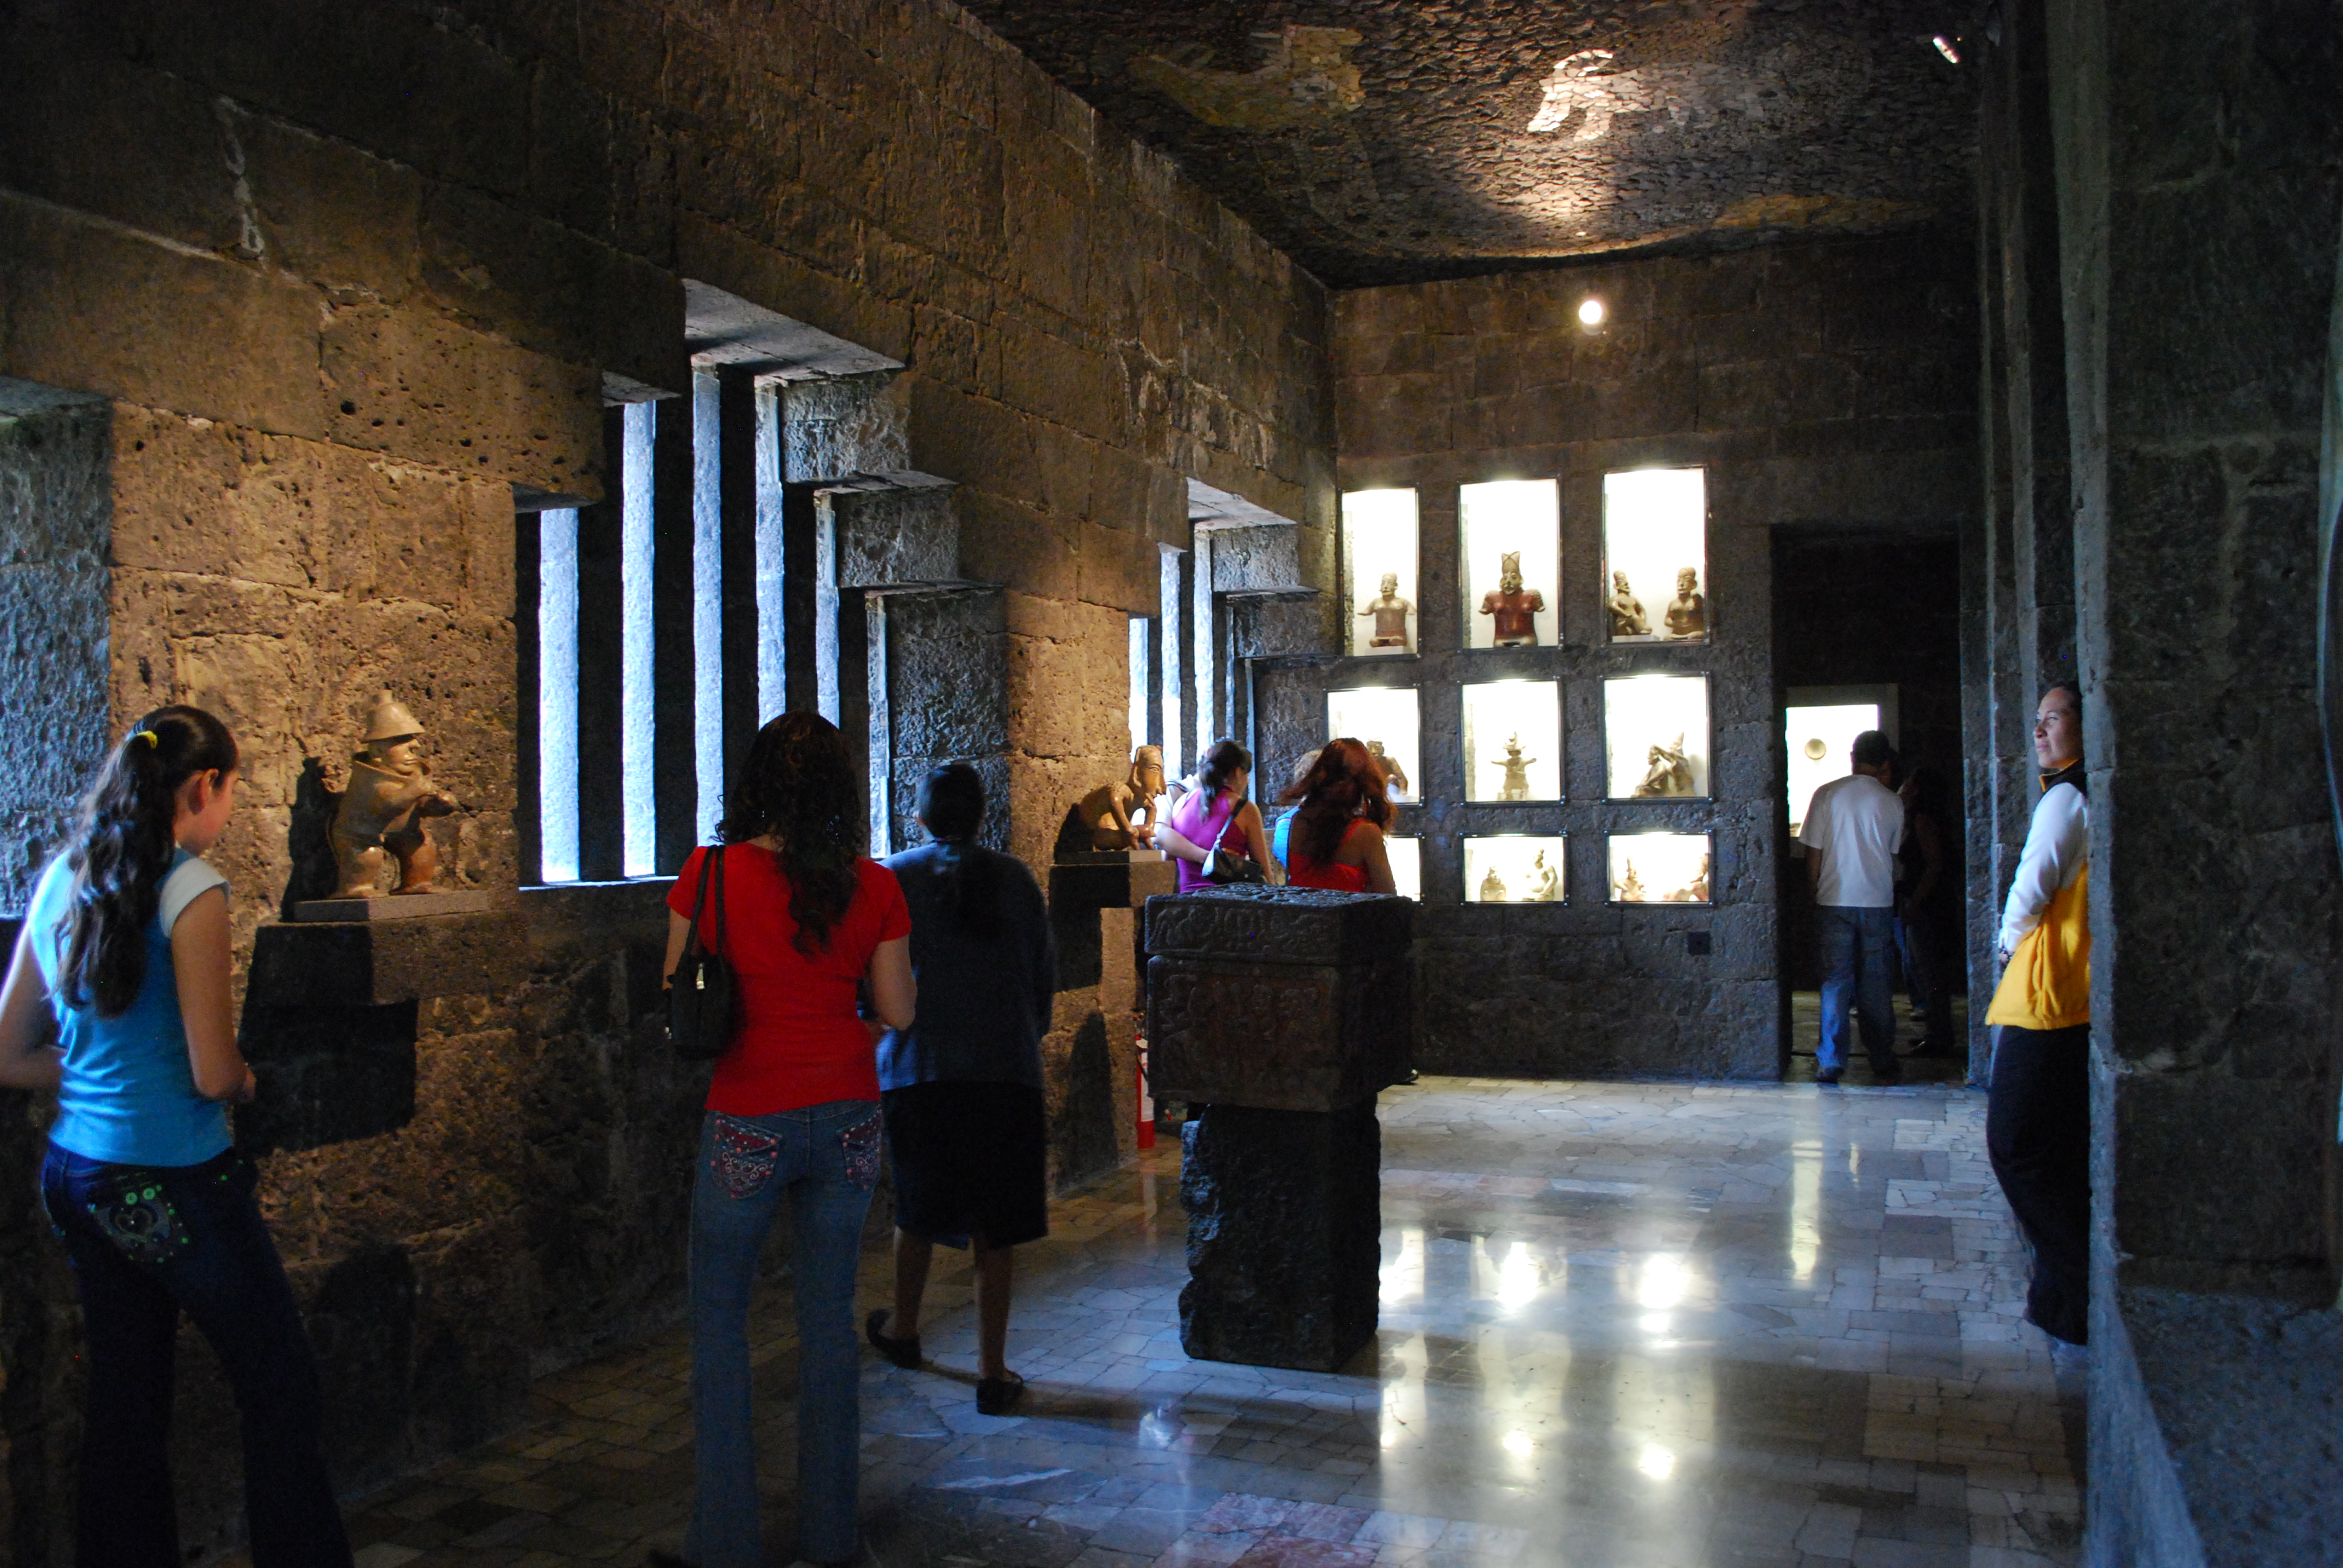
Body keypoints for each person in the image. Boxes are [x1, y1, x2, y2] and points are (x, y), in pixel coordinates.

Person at [0, 707, 352, 1568]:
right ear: (205, 786)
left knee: (126, 1402)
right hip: (175, 1183)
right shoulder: (191, 888)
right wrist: (247, 1079)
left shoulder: (61, 880)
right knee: (281, 1387)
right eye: (231, 790)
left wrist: (92, 1079)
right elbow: (209, 1072)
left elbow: (8, 1054)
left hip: (78, 1177)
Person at [661, 712, 916, 1568]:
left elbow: (676, 982)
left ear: (756, 783)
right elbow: (898, 1011)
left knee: (722, 1325)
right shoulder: (873, 885)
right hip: (847, 1112)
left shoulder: (712, 873)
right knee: (827, 1326)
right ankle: (830, 1539)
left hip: (747, 1110)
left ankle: (724, 1543)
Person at [865, 764, 1055, 1416]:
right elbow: (1040, 983)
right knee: (993, 1229)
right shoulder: (1017, 880)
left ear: (919, 815)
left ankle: (905, 1330)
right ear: (982, 815)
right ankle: (993, 1370)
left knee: (916, 1211)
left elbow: (875, 982)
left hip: (920, 1070)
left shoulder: (891, 876)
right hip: (1005, 1071)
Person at [1984, 683, 2090, 1346]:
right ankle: (2060, 1298)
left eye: (2054, 718)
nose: (2040, 731)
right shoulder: (2076, 792)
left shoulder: (2066, 797)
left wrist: (2003, 940)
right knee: (2052, 1144)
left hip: (2049, 992)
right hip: (2068, 990)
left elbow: (2032, 879)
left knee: (2015, 1144)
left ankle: (2081, 1281)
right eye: (2037, 720)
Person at [1799, 728, 1906, 1083]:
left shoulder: (1827, 795)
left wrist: (1813, 892)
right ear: (1885, 762)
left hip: (1834, 900)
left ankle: (1831, 1060)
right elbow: (1892, 856)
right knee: (1876, 983)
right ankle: (1882, 1058)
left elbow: (1813, 852)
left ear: (1853, 758)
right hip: (1877, 900)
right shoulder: (1893, 802)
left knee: (1835, 981)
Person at [1153, 739, 1276, 891]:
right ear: (1238, 772)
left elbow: (1168, 860)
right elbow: (1264, 870)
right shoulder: (1245, 809)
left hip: (1187, 902)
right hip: (1227, 903)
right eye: (1247, 774)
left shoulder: (1181, 803)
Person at [1277, 738, 1397, 894]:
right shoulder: (1365, 832)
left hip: (1305, 917)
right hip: (1348, 918)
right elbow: (1387, 897)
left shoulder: (1298, 821)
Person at [1893, 762, 1956, 1057]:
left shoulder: (1922, 820)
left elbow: (1933, 865)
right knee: (1925, 969)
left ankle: (1939, 1034)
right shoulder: (1918, 818)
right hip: (1924, 901)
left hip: (1927, 904)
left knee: (1930, 971)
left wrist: (1916, 902)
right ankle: (1936, 1030)